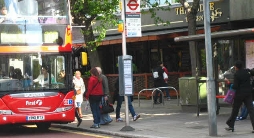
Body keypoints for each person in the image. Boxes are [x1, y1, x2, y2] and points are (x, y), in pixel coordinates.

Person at [224, 60, 254, 133]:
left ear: (236, 67)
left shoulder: (237, 74)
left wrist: (229, 83)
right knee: (251, 110)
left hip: (239, 94)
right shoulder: (247, 72)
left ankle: (231, 125)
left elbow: (235, 86)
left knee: (235, 110)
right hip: (248, 93)